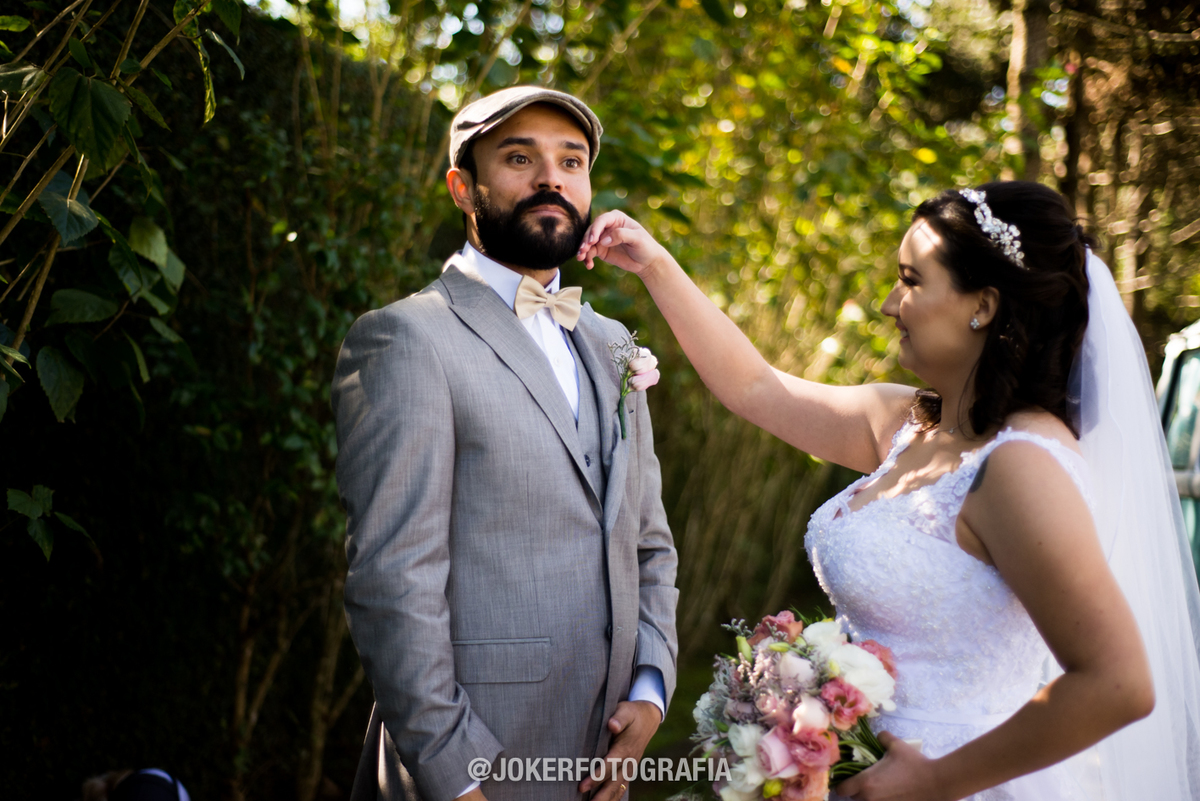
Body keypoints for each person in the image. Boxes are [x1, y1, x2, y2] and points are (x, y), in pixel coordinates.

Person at [576, 181, 1200, 800]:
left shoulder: (1022, 465)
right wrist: (654, 265)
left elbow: (1118, 682)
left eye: (911, 280)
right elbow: (755, 389)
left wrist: (936, 780)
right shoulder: (907, 425)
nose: (886, 303)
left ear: (982, 304)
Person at [331, 86, 678, 801]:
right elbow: (393, 580)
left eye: (571, 161)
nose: (551, 177)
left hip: (600, 760)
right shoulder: (407, 337)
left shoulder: (615, 345)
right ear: (464, 187)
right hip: (468, 766)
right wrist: (457, 777)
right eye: (520, 157)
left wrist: (650, 690)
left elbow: (648, 541)